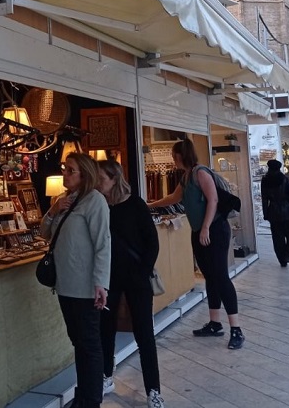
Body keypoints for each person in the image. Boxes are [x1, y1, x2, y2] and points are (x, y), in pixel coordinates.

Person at [149, 140, 244, 350]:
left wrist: (206, 228)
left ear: (183, 155)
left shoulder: (200, 173)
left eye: (175, 155)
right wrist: (149, 205)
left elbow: (213, 200)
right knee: (210, 276)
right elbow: (174, 198)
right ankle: (214, 322)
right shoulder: (186, 177)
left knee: (220, 277)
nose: (173, 160)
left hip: (215, 231)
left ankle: (236, 328)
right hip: (199, 232)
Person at [40, 153, 110, 408]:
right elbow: (45, 233)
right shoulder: (65, 201)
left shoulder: (95, 202)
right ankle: (83, 396)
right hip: (66, 286)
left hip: (85, 288)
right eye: (65, 169)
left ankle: (91, 400)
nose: (65, 174)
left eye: (70, 170)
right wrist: (53, 209)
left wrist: (101, 282)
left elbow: (103, 244)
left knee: (89, 344)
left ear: (84, 175)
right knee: (78, 342)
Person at [96, 160, 164, 408]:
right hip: (109, 278)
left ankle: (153, 390)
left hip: (136, 278)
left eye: (102, 178)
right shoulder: (99, 206)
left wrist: (142, 272)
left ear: (114, 178)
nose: (98, 183)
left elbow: (152, 243)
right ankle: (106, 376)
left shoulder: (135, 205)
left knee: (144, 334)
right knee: (106, 328)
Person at [260, 160, 289, 267]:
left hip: (273, 211)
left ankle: (282, 260)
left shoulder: (265, 180)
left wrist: (265, 214)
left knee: (277, 237)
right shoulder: (284, 179)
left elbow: (264, 199)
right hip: (286, 210)